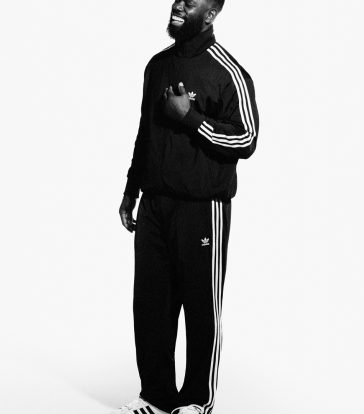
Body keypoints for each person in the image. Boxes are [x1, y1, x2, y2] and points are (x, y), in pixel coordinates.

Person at [115, 1, 259, 413]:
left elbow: (246, 139)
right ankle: (156, 397)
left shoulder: (228, 72)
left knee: (200, 306)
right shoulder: (157, 65)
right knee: (151, 305)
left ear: (210, 15)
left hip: (202, 207)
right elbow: (145, 132)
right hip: (155, 205)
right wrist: (131, 189)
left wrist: (191, 117)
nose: (179, 4)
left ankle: (197, 401)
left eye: (191, 2)